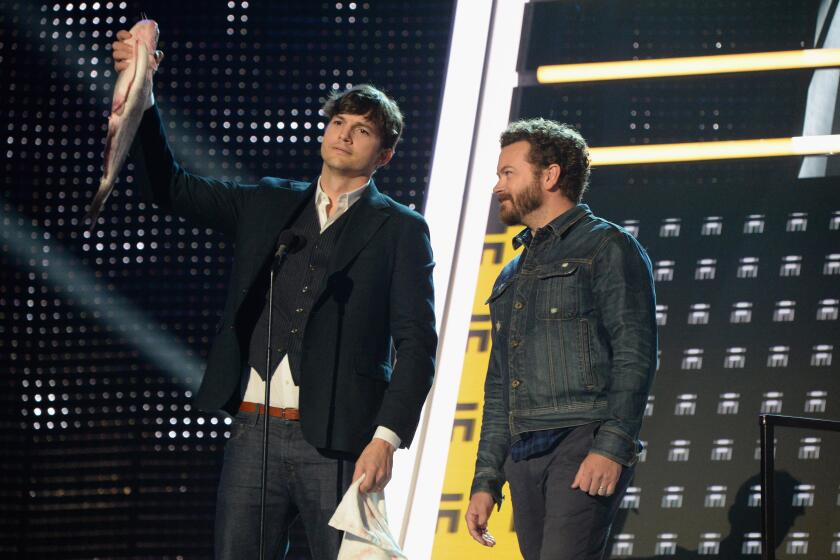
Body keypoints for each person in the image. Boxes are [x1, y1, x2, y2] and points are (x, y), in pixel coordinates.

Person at [111, 31, 436, 559]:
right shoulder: (268, 203)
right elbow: (167, 187)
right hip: (253, 432)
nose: (344, 136)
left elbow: (418, 344)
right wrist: (143, 95)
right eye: (337, 123)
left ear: (386, 154)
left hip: (338, 441)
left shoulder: (399, 229)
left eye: (362, 130)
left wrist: (387, 438)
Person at [465, 118, 657, 560]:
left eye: (508, 173)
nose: (498, 186)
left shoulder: (607, 246)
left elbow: (635, 352)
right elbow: (499, 386)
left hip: (582, 440)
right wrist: (486, 479)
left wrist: (611, 445)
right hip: (522, 452)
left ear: (549, 176)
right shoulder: (511, 274)